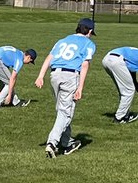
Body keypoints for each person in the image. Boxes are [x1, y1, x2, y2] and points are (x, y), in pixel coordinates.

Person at [34, 17, 96, 157]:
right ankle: (52, 142)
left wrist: (40, 75)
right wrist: (80, 87)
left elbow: (49, 58)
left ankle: (67, 142)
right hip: (70, 76)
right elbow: (85, 65)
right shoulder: (88, 43)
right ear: (90, 31)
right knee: (65, 113)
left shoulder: (62, 40)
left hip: (54, 75)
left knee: (61, 110)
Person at [102, 46, 138, 123]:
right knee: (129, 90)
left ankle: (125, 114)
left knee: (125, 90)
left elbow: (134, 82)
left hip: (106, 59)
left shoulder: (136, 59)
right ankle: (119, 118)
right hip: (117, 61)